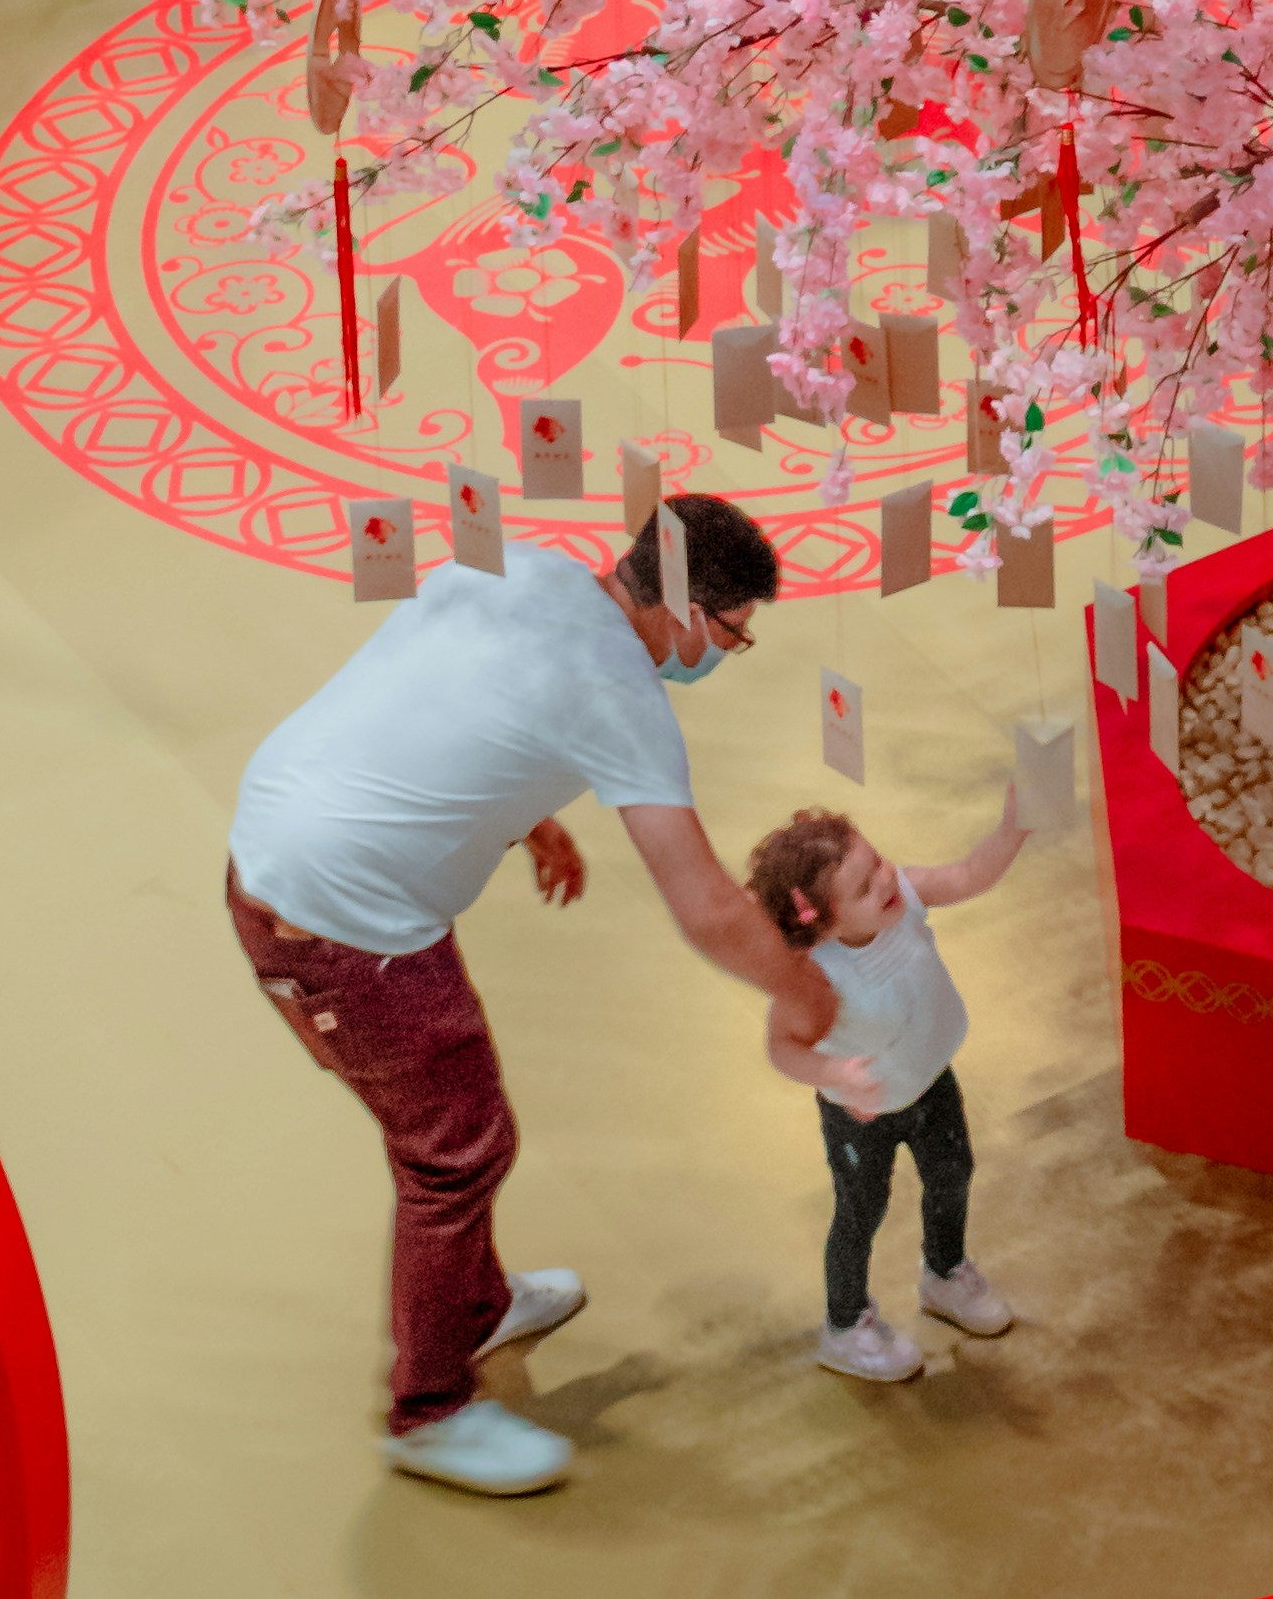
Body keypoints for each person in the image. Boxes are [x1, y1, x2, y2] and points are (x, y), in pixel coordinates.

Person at [228, 491, 857, 1499]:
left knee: (466, 1120)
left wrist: (527, 818)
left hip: (290, 837)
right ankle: (429, 1408)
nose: (723, 653)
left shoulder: (521, 566)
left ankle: (474, 1305)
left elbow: (445, 691)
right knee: (452, 1153)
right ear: (694, 611)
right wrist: (802, 990)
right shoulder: (622, 694)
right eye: (733, 634)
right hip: (340, 924)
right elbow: (703, 902)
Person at [747, 792, 1029, 1385]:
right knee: (861, 1211)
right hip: (863, 1115)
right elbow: (782, 1048)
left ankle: (945, 1274)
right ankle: (845, 1325)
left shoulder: (905, 895)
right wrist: (832, 1075)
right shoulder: (815, 976)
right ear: (820, 923)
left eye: (877, 863)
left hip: (930, 1080)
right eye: (864, 887)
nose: (885, 879)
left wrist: (1012, 827)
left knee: (953, 1174)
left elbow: (971, 874)